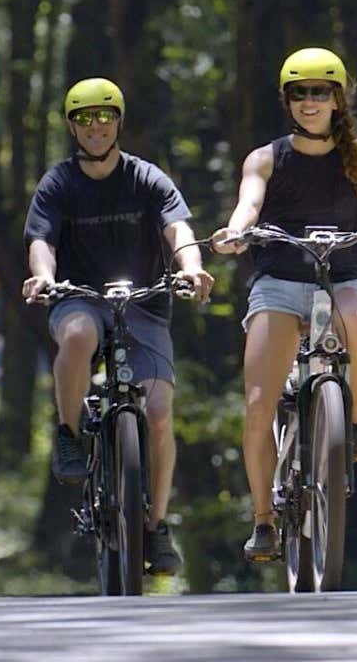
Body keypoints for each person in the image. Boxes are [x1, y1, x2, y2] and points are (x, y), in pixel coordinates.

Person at [211, 48, 357, 564]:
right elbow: (248, 202)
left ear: (338, 98)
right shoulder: (265, 157)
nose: (310, 102)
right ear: (288, 101)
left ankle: (351, 421)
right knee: (260, 405)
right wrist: (237, 232)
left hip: (342, 275)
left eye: (320, 91)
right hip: (279, 282)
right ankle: (264, 520)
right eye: (300, 93)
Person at [20, 77, 215, 577]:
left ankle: (156, 523)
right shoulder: (58, 182)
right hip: (79, 299)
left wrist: (190, 267)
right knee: (80, 337)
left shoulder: (146, 178)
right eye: (85, 118)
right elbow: (42, 241)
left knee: (158, 411)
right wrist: (43, 278)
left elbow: (178, 228)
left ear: (119, 122)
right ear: (71, 127)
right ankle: (68, 433)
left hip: (145, 303)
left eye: (105, 116)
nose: (96, 127)